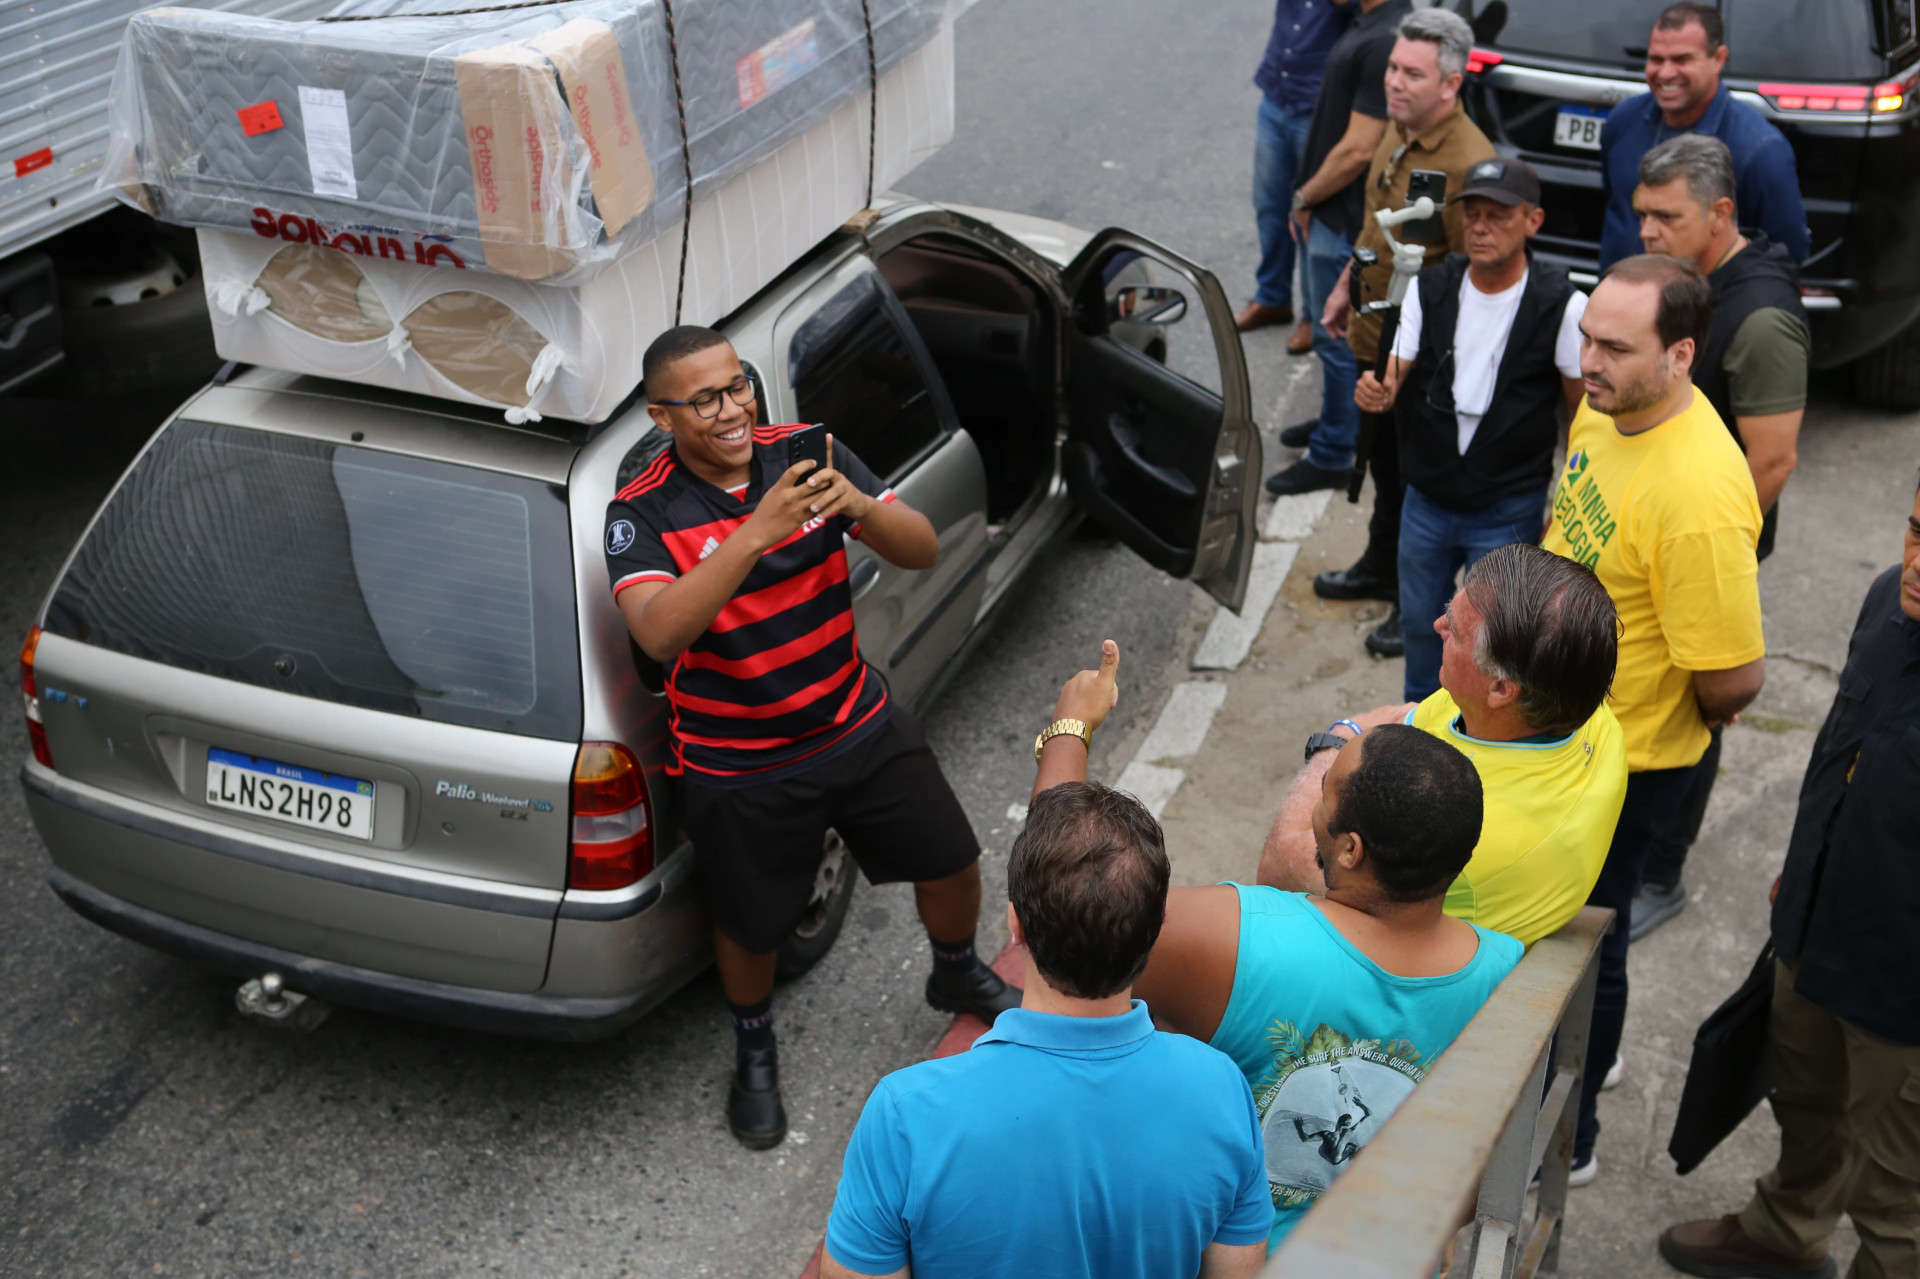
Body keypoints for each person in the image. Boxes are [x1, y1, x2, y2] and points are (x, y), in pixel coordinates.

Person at [604, 325, 1017, 1151]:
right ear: (662, 415)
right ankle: (755, 1049)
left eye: (739, 385)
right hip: (738, 760)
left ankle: (955, 968)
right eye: (707, 398)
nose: (732, 410)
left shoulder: (809, 447)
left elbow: (923, 548)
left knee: (952, 858)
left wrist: (860, 506)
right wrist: (754, 531)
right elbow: (658, 633)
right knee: (751, 925)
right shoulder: (641, 510)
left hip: (854, 718)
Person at [822, 642, 1271, 1279]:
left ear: (1014, 925)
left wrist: (1069, 730)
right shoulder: (1221, 1090)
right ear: (1154, 930)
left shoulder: (907, 1115)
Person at [1542, 254, 1767, 1184]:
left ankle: (1578, 1129)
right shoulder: (1616, 401)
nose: (1588, 362)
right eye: (1588, 337)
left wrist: (1659, 724)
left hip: (1630, 760)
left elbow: (1732, 679)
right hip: (1571, 729)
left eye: (1614, 348)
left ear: (1681, 354)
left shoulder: (1701, 497)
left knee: (1588, 937)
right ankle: (1598, 1055)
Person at [1658, 483, 1920, 1279]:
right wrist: (1798, 867)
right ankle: (1787, 1229)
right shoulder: (1886, 601)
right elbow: (1841, 749)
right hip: (1818, 923)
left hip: (1905, 990)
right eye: (1917, 528)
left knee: (1899, 1194)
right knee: (1805, 1098)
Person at [1130, 724, 1524, 1251]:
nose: (1315, 806)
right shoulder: (1508, 971)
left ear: (1350, 850)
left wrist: (1068, 737)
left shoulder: (1238, 938)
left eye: (1324, 793)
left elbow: (1068, 910)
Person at [1260, 542, 1628, 951]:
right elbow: (1408, 716)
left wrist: (1333, 744)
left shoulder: (1450, 821)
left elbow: (1279, 865)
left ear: (1502, 688)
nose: (1437, 625)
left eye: (1454, 630)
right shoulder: (1585, 710)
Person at [1626, 132, 1810, 940]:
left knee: (1698, 711)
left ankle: (1661, 873)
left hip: (1705, 550)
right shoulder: (1687, 282)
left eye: (1667, 217)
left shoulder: (1761, 316)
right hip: (1660, 539)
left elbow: (1769, 462)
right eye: (1642, 215)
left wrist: (1701, 546)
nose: (1648, 233)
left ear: (1722, 213)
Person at [1299, 7, 1496, 664]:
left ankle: (1419, 608)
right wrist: (1340, 289)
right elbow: (1374, 227)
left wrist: (1422, 368)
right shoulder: (1398, 130)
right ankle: (1380, 567)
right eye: (1392, 67)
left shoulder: (1470, 164)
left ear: (1451, 83)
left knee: (1415, 479)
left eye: (1412, 73)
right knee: (1381, 464)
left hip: (1421, 359)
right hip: (1373, 328)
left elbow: (1477, 280)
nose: (1395, 82)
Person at [1352, 157, 1587, 701]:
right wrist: (1379, 390)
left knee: (1493, 646)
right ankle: (1417, 722)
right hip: (1427, 501)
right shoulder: (1431, 287)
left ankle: (1473, 738)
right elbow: (1395, 369)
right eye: (1473, 215)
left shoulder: (1564, 304)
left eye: (1499, 216)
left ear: (1533, 220)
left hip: (1508, 508)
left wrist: (1565, 498)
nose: (1481, 227)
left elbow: (1582, 419)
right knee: (1418, 627)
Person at [1264, 0, 1407, 489]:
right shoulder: (1366, 23)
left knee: (1338, 337)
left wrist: (1305, 195)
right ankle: (1333, 424)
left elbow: (1358, 149)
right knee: (1333, 335)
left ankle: (1333, 452)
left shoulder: (1384, 38)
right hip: (1333, 213)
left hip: (1340, 216)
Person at [1597, 2, 1808, 271]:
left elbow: (1786, 254)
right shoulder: (1623, 120)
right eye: (1656, 59)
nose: (1665, 73)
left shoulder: (1760, 150)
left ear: (1718, 59)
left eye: (1682, 59)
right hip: (1622, 302)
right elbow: (1613, 205)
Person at [1240, 0, 1353, 360]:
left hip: (1320, 107)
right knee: (1269, 206)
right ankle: (1271, 297)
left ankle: (1313, 315)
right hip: (1278, 90)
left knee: (1309, 214)